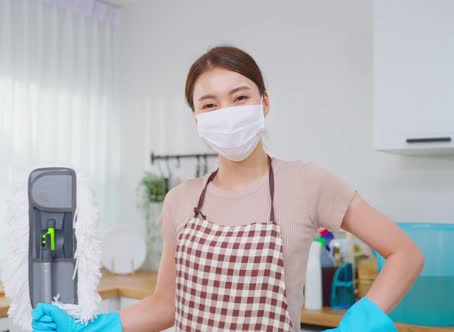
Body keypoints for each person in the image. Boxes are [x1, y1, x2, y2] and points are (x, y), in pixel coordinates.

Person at [31, 46, 424, 332]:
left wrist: (364, 319)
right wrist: (98, 327)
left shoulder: (308, 182)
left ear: (264, 103)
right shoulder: (180, 200)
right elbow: (164, 305)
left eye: (240, 98)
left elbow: (405, 253)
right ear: (197, 118)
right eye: (210, 105)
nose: (227, 113)